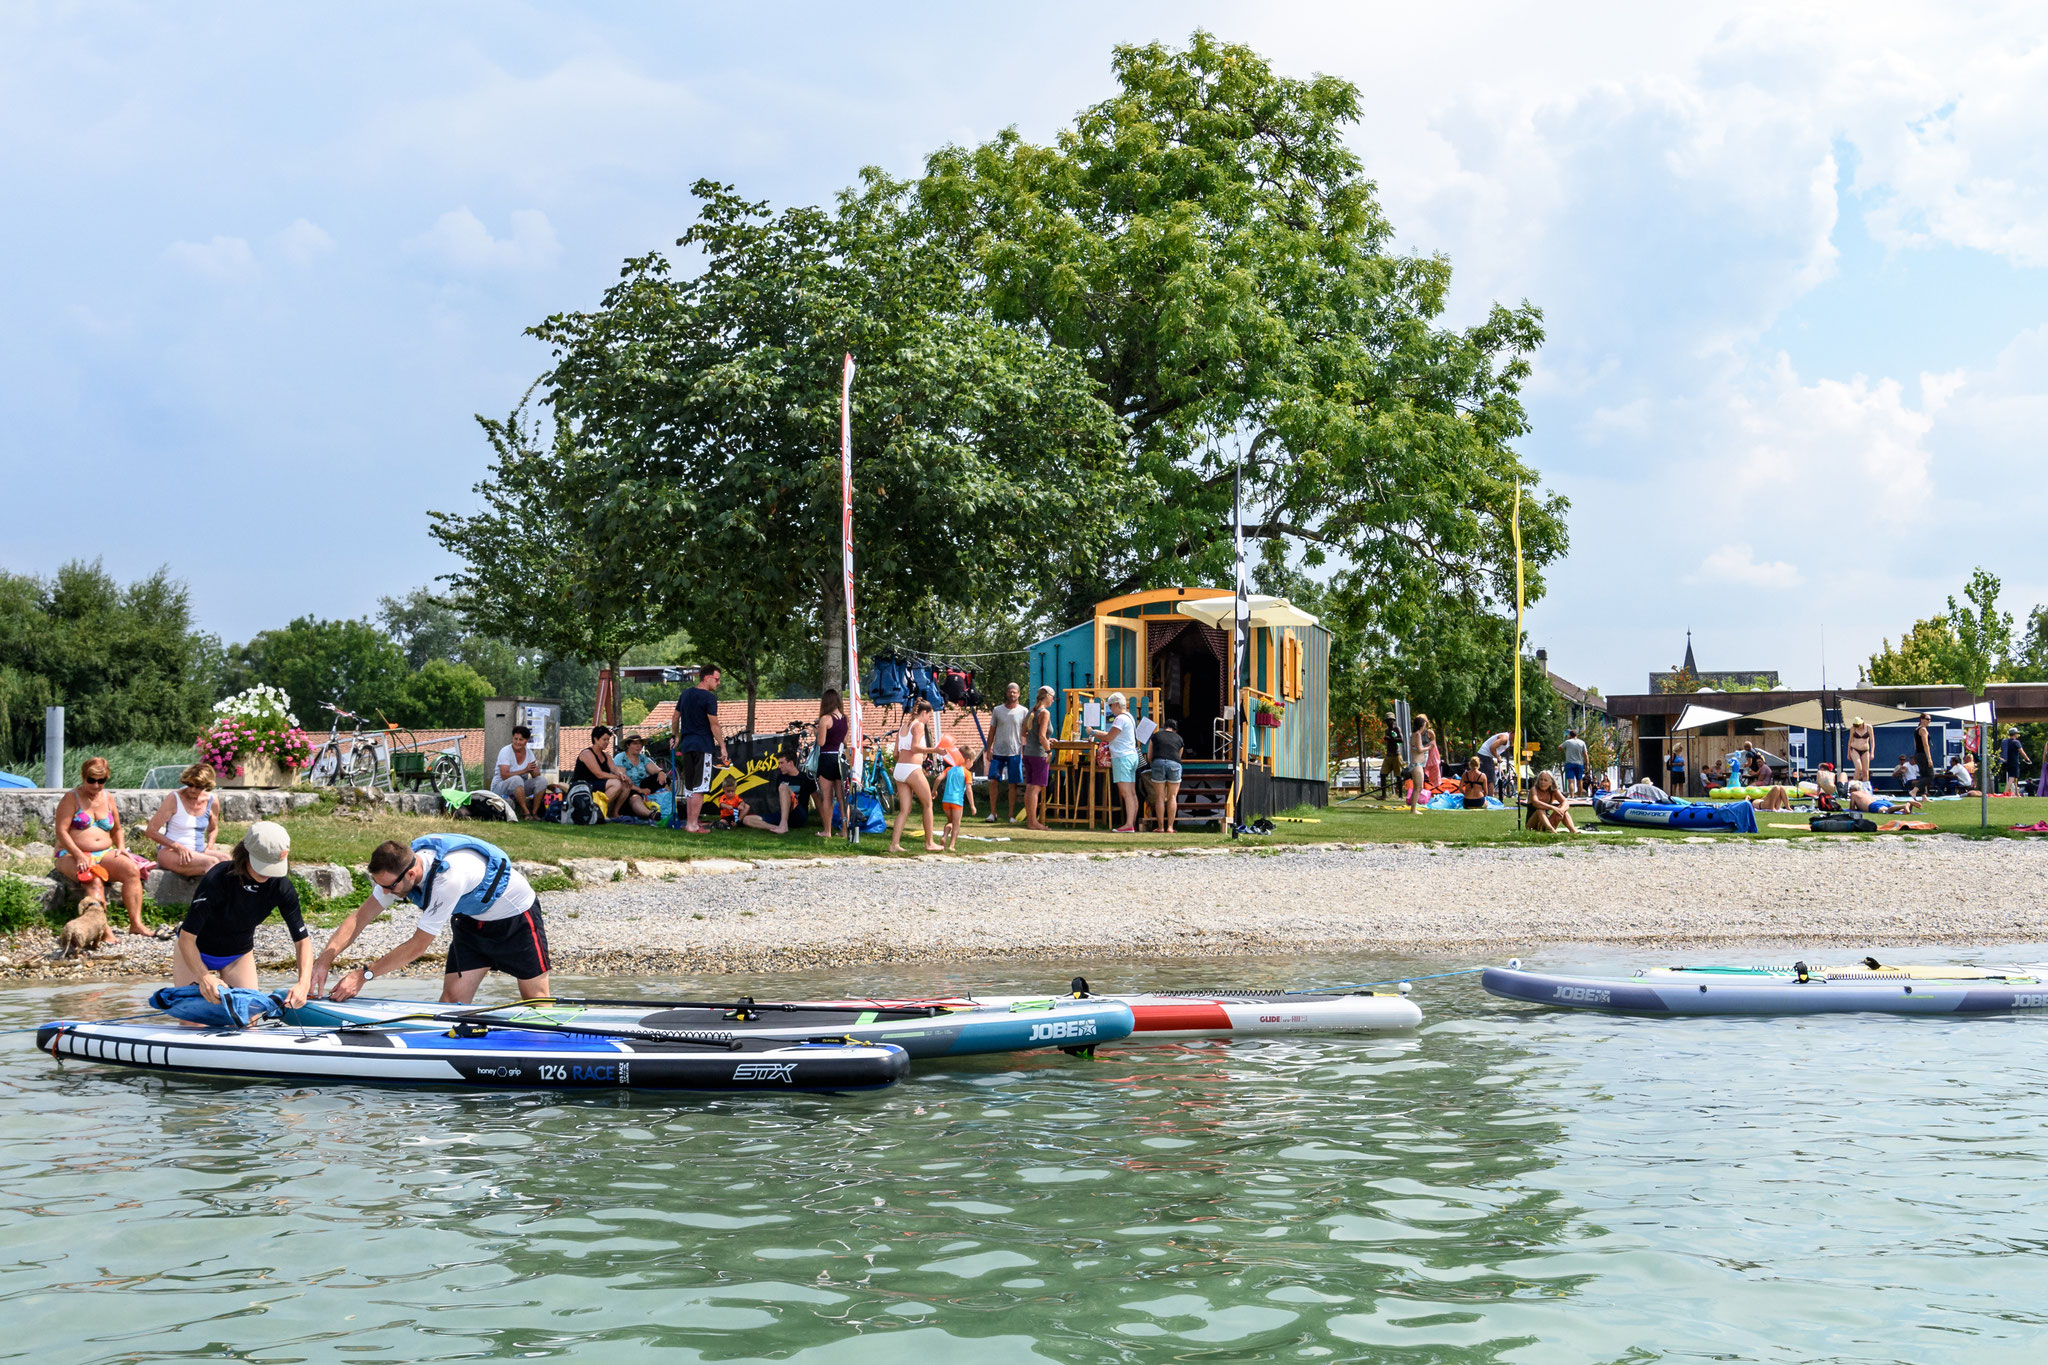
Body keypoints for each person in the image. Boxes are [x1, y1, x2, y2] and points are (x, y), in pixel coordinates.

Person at [315, 834, 549, 1005]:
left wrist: (363, 975)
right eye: (380, 885)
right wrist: (324, 960)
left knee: (535, 1001)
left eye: (389, 887)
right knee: (451, 1002)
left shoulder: (447, 879)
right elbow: (360, 916)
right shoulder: (399, 869)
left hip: (516, 919)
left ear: (411, 874)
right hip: (471, 921)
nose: (385, 892)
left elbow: (418, 946)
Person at [173, 822, 314, 1008]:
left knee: (249, 1018)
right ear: (245, 853)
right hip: (195, 952)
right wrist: (205, 978)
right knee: (194, 1020)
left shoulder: (281, 887)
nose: (267, 874)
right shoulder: (218, 878)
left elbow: (302, 940)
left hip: (238, 955)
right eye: (262, 865)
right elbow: (187, 937)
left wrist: (303, 983)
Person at [54, 756, 147, 937]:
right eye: (92, 780)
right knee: (93, 878)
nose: (96, 785)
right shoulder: (70, 798)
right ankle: (103, 930)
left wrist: (120, 847)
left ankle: (136, 923)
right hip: (71, 853)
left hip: (104, 852)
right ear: (83, 777)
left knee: (132, 870)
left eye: (101, 781)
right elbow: (61, 832)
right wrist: (78, 855)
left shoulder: (108, 797)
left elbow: (117, 829)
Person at [145, 762, 230, 878]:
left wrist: (210, 846)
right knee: (211, 862)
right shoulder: (174, 798)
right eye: (190, 784)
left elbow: (213, 828)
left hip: (198, 851)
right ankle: (211, 896)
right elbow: (151, 831)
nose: (193, 790)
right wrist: (178, 847)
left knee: (227, 861)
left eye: (198, 787)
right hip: (171, 851)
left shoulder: (212, 800)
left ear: (206, 786)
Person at [677, 665, 730, 833]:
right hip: (703, 746)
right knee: (700, 787)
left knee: (690, 787)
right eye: (717, 679)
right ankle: (692, 824)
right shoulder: (709, 698)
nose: (719, 683)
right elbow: (714, 724)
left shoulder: (685, 694)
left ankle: (689, 823)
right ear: (707, 678)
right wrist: (722, 745)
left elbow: (674, 717)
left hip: (686, 745)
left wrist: (675, 736)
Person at [888, 697, 944, 854]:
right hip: (912, 768)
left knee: (904, 810)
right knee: (928, 805)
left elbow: (895, 753)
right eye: (929, 716)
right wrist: (935, 750)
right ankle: (929, 842)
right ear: (924, 713)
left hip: (900, 768)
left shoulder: (904, 726)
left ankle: (894, 844)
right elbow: (915, 747)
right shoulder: (918, 725)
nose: (929, 719)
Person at [1091, 692, 1141, 832]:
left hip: (1122, 757)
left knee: (1126, 793)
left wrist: (1093, 732)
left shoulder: (1120, 719)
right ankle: (1131, 823)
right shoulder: (1129, 717)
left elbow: (1108, 736)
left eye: (1111, 705)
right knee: (1131, 792)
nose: (1110, 709)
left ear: (1117, 704)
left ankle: (1128, 824)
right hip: (1131, 756)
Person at [568, 725, 640, 821]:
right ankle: (596, 810)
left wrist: (622, 775)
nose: (607, 742)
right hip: (583, 785)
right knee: (617, 783)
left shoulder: (606, 755)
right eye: (604, 739)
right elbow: (599, 774)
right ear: (596, 739)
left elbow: (615, 769)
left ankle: (614, 812)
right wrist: (618, 778)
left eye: (608, 740)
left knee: (626, 784)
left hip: (599, 784)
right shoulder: (587, 753)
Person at [738, 754, 817, 834]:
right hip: (783, 815)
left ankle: (783, 825)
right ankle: (777, 828)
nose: (779, 766)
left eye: (781, 763)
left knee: (783, 787)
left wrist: (826, 824)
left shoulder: (805, 778)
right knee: (746, 819)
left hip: (799, 814)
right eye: (778, 763)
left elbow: (817, 801)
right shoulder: (781, 778)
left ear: (790, 763)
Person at [983, 682, 1028, 824]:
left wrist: (1025, 750)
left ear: (1019, 694)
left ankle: (1010, 815)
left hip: (1014, 751)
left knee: (1013, 783)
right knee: (993, 781)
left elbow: (1025, 732)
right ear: (1006, 693)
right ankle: (993, 813)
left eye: (1014, 692)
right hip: (998, 751)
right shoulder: (997, 710)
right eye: (1010, 692)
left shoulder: (1023, 711)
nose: (1012, 694)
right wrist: (988, 749)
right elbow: (992, 731)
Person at [490, 724, 545, 817]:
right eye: (515, 739)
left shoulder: (529, 753)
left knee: (542, 781)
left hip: (520, 787)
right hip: (500, 787)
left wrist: (534, 770)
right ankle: (525, 812)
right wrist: (524, 770)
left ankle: (535, 813)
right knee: (517, 779)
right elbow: (504, 775)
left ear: (527, 740)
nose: (517, 742)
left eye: (521, 740)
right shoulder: (505, 751)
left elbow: (535, 774)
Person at [815, 689, 848, 839]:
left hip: (827, 758)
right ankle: (844, 830)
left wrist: (817, 733)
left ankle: (827, 831)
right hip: (840, 759)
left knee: (827, 797)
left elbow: (821, 742)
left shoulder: (825, 719)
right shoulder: (844, 718)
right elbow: (845, 741)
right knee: (842, 797)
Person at [1021, 685, 1055, 832]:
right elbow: (1041, 735)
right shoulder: (1044, 713)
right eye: (1053, 697)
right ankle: (1034, 822)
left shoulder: (1031, 711)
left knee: (1029, 788)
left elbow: (1024, 732)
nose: (1053, 700)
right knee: (1036, 789)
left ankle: (1030, 821)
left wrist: (1047, 739)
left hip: (1028, 752)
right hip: (1039, 754)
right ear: (1048, 696)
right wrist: (1048, 750)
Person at [1148, 718, 1185, 834]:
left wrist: (1152, 763)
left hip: (1158, 763)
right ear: (1175, 729)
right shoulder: (1179, 738)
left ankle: (1160, 827)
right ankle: (1170, 827)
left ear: (1164, 727)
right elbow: (1179, 756)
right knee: (1172, 796)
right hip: (1174, 764)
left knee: (1159, 796)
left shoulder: (1156, 736)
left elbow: (1150, 755)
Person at [937, 745, 977, 850]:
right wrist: (972, 805)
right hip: (957, 802)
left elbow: (938, 779)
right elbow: (969, 790)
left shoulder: (949, 769)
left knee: (949, 821)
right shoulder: (967, 773)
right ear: (967, 760)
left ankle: (944, 837)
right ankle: (952, 845)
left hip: (946, 801)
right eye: (972, 761)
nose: (972, 764)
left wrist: (933, 791)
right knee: (956, 824)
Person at [616, 734, 666, 816]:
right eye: (635, 744)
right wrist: (640, 790)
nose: (638, 746)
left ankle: (669, 804)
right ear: (628, 745)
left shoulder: (642, 757)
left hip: (643, 787)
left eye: (640, 744)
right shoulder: (621, 757)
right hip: (627, 790)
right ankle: (651, 814)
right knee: (635, 796)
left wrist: (661, 772)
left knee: (661, 779)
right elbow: (622, 779)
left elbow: (654, 769)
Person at [1378, 712, 1403, 800]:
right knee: (1383, 774)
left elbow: (1401, 740)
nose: (1389, 722)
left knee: (1398, 775)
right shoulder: (1386, 731)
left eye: (1390, 721)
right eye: (1387, 721)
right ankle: (1383, 795)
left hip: (1396, 755)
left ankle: (1400, 795)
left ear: (1393, 721)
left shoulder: (1397, 729)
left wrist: (1391, 739)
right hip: (1388, 755)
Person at [2001, 727, 2031, 796]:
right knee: (2012, 777)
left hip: (2007, 762)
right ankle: (2005, 793)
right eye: (2017, 733)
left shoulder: (2006, 742)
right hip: (2014, 762)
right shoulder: (2016, 742)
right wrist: (2027, 759)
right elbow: (2022, 752)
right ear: (2015, 734)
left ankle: (2017, 793)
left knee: (2015, 778)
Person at [1847, 716, 1875, 784]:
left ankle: (1865, 787)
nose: (1857, 727)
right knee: (1859, 768)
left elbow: (1872, 740)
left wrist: (1872, 752)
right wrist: (1848, 753)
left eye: (1858, 725)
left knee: (1865, 771)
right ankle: (1854, 785)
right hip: (1855, 749)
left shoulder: (1869, 727)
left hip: (1865, 749)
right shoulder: (1853, 729)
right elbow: (1850, 741)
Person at [1562, 730, 1588, 797]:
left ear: (1570, 735)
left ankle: (1572, 796)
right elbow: (1585, 754)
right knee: (1579, 781)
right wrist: (1587, 764)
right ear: (1577, 735)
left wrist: (1567, 739)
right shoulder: (1582, 742)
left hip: (1570, 763)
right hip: (1579, 764)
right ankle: (1579, 796)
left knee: (1571, 781)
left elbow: (1559, 747)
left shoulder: (1568, 742)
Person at [1914, 714, 1937, 789]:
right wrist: (1929, 758)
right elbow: (1926, 744)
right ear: (1922, 719)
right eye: (1927, 719)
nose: (1929, 721)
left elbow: (1915, 744)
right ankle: (1914, 790)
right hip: (1923, 754)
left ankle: (1923, 795)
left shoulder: (1917, 729)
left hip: (1918, 754)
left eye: (1930, 719)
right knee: (1930, 775)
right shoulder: (1923, 729)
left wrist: (1917, 753)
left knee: (1923, 775)